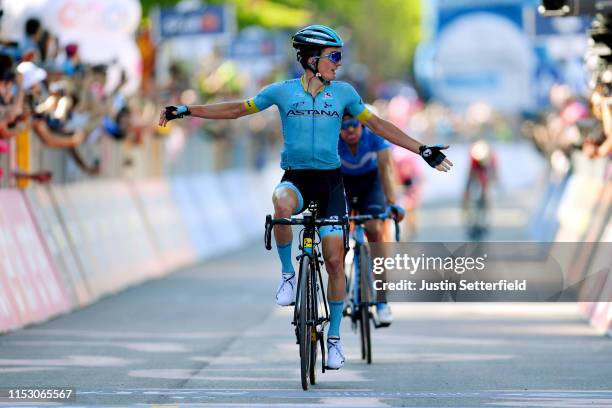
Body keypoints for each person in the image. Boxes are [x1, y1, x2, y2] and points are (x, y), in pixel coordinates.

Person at [159, 25, 453, 369]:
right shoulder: (281, 92)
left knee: (333, 260)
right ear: (312, 60)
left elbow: (379, 125)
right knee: (280, 202)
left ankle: (335, 338)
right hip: (296, 179)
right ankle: (287, 275)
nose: (339, 64)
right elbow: (238, 109)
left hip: (330, 185)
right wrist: (187, 110)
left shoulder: (344, 94)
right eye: (334, 57)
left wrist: (421, 150)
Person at [338, 108, 404, 326]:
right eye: (343, 127)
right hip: (343, 184)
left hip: (370, 183)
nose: (349, 131)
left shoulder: (373, 135)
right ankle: (341, 279)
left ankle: (382, 301)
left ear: (362, 126)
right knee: (335, 232)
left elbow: (386, 169)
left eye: (353, 125)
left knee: (375, 228)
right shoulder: (332, 140)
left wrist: (392, 202)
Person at [463, 140, 497, 238]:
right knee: (467, 197)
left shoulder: (492, 157)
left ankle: (485, 222)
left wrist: (487, 185)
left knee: (486, 197)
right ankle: (470, 222)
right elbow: (471, 172)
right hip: (474, 173)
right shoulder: (473, 155)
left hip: (486, 174)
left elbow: (494, 173)